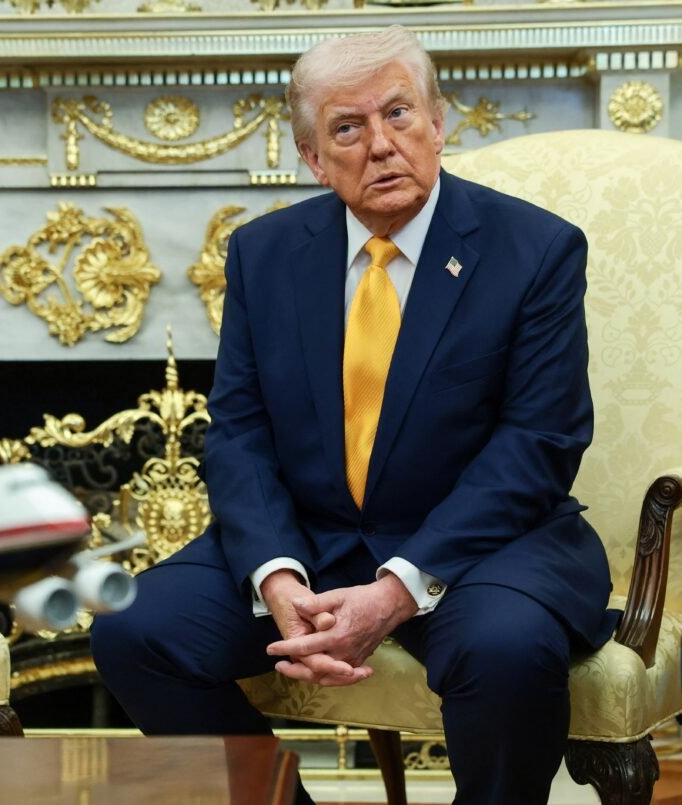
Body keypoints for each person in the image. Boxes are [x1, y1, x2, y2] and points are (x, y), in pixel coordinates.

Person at [91, 25, 617, 805]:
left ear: (437, 122)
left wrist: (399, 587)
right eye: (347, 128)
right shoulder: (264, 253)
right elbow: (239, 433)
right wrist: (275, 574)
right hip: (314, 536)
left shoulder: (534, 249)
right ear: (312, 157)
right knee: (135, 629)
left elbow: (539, 442)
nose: (380, 145)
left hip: (484, 546)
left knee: (506, 649)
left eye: (398, 114)